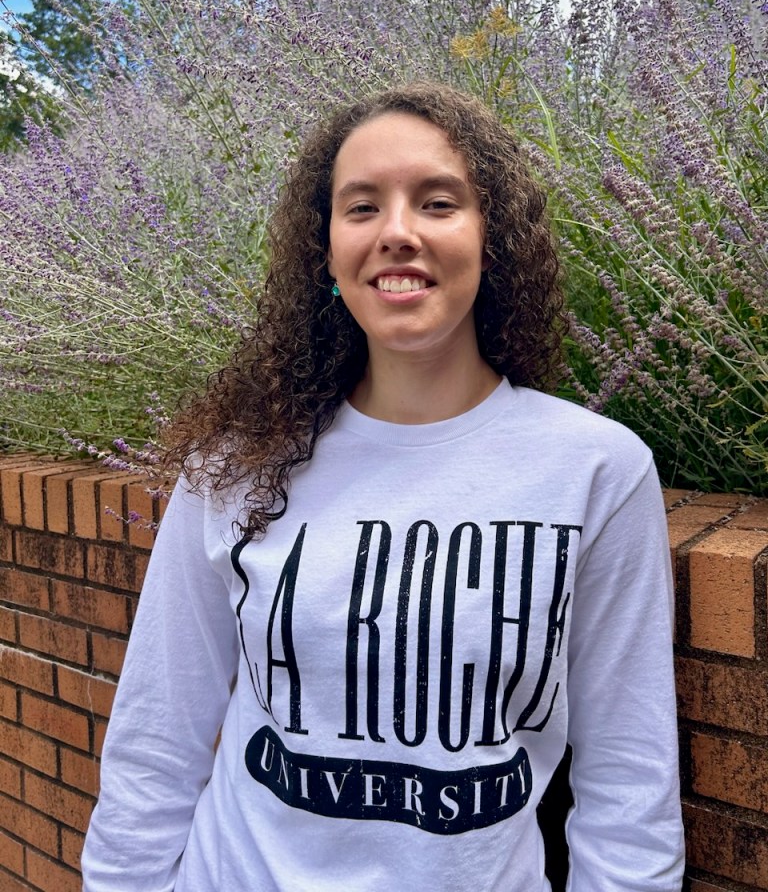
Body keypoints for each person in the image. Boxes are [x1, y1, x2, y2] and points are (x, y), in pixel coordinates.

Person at [81, 82, 684, 891]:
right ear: (327, 255)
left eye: (438, 203)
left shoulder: (596, 471)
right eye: (362, 207)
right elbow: (156, 738)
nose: (397, 232)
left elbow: (629, 783)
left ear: (492, 243)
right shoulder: (237, 464)